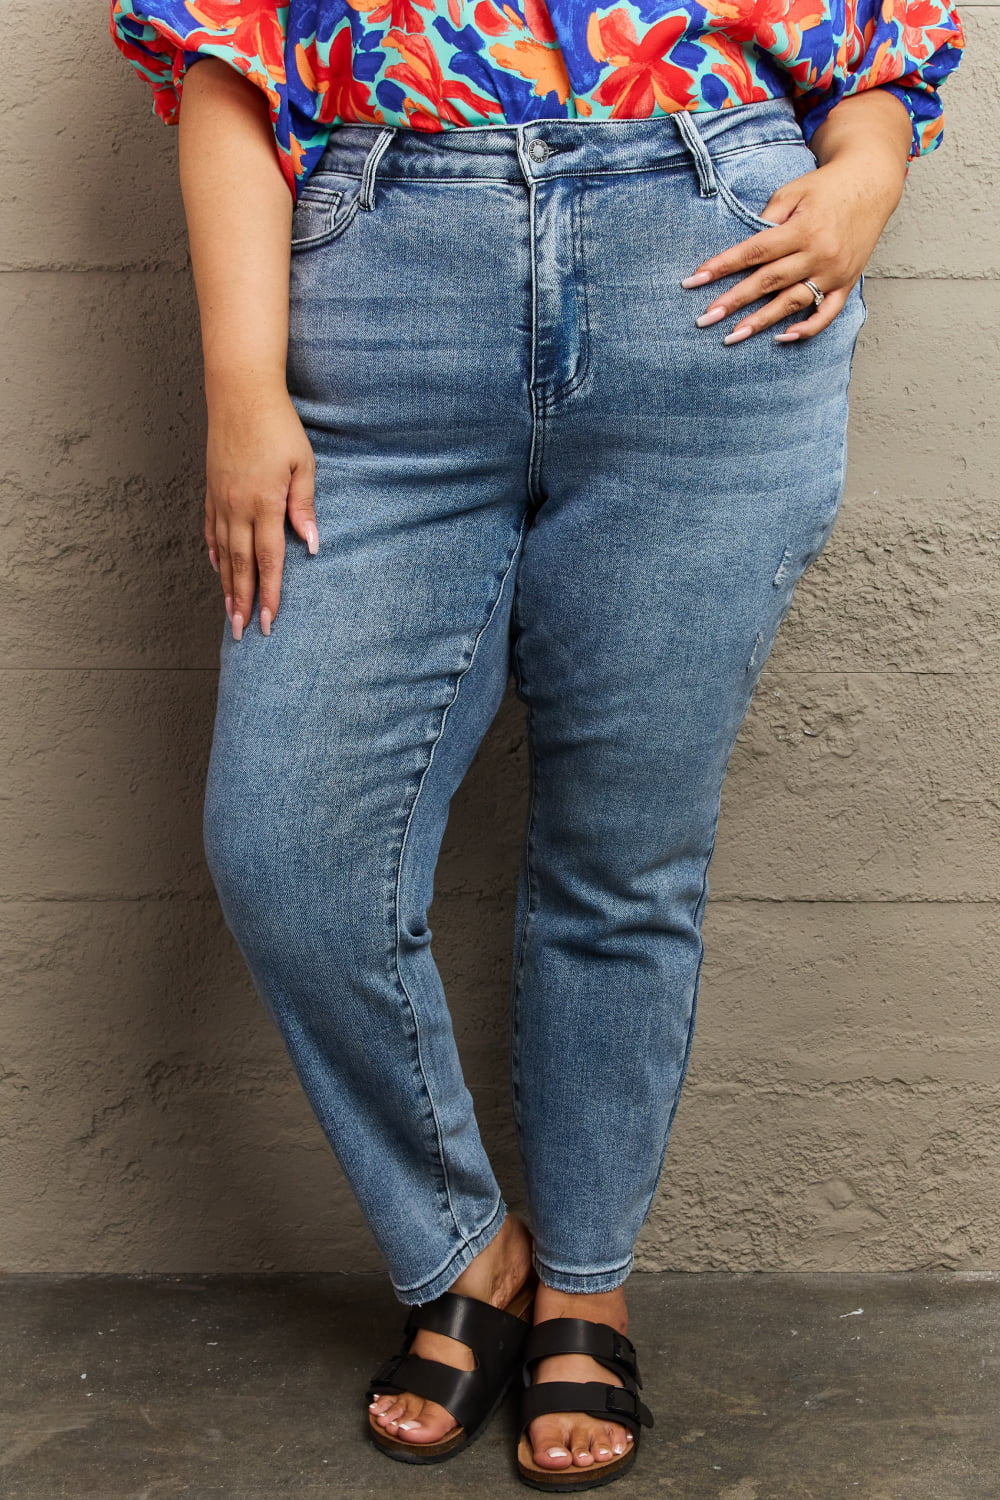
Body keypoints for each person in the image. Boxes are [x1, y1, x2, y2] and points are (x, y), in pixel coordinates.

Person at [110, 0, 965, 1489]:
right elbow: (223, 55)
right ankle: (468, 1249)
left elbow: (881, 39)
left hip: (710, 276)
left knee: (622, 857)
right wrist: (242, 387)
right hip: (383, 292)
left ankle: (586, 1282)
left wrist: (865, 179)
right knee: (290, 848)